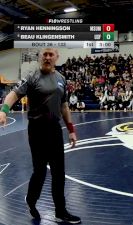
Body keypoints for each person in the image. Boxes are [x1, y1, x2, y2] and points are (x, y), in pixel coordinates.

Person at [0, 48, 81, 224]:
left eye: (51, 54)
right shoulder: (31, 76)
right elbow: (13, 94)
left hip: (55, 130)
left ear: (56, 57)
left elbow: (64, 106)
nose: (47, 57)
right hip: (37, 131)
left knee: (59, 173)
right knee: (40, 172)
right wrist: (4, 111)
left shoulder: (61, 79)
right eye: (44, 54)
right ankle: (31, 199)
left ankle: (60, 212)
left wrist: (71, 129)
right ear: (40, 57)